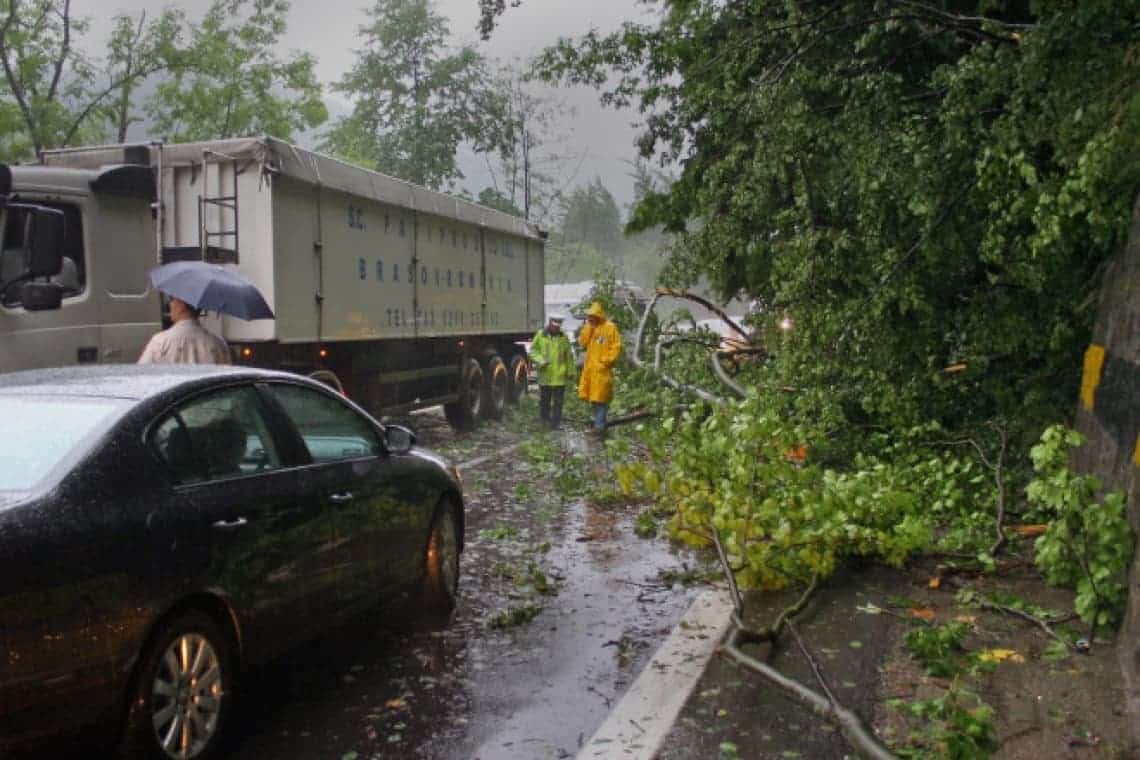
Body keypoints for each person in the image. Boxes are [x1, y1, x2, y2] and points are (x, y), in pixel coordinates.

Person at [138, 296, 231, 365]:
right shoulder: (218, 344)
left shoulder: (160, 342)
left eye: (171, 299)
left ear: (181, 305)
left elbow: (143, 375)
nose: (169, 304)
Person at [577, 301, 622, 434]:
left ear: (599, 316)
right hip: (591, 370)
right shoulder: (591, 328)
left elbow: (616, 346)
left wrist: (606, 361)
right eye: (589, 317)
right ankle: (600, 424)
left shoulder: (610, 327)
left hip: (602, 371)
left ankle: (599, 427)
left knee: (601, 399)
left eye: (593, 317)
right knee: (594, 399)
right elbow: (583, 343)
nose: (591, 319)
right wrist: (588, 327)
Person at [529, 314, 574, 429]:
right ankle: (544, 421)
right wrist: (541, 361)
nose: (557, 328)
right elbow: (533, 351)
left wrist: (570, 372)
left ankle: (556, 424)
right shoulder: (541, 335)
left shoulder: (564, 337)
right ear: (550, 323)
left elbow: (568, 355)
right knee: (545, 400)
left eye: (559, 326)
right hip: (546, 374)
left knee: (558, 402)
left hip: (559, 375)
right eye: (555, 326)